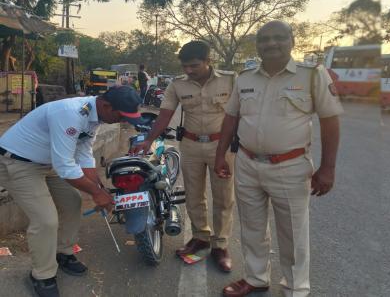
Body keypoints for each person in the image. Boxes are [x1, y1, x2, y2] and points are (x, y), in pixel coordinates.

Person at [215, 21, 343, 297]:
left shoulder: (312, 75)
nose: (271, 43)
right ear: (257, 45)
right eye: (265, 39)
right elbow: (231, 117)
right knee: (251, 227)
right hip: (247, 163)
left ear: (292, 41)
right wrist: (220, 156)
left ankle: (296, 288)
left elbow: (330, 120)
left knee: (293, 234)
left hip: (290, 166)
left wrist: (328, 168)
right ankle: (256, 278)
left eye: (278, 38)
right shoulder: (245, 78)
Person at [0, 86, 143, 297]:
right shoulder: (70, 113)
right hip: (18, 162)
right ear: (106, 105)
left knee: (73, 202)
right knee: (46, 220)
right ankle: (42, 275)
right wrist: (96, 193)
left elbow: (84, 153)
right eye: (121, 115)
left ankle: (64, 253)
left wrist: (99, 187)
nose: (123, 121)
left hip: (48, 162)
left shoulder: (96, 116)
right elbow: (66, 166)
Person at [131, 41, 236, 272]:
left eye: (194, 65)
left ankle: (220, 245)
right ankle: (200, 236)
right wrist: (149, 140)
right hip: (190, 145)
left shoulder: (230, 80)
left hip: (222, 146)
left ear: (209, 61)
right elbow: (165, 114)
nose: (188, 70)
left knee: (223, 196)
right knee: (194, 194)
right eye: (185, 66)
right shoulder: (177, 84)